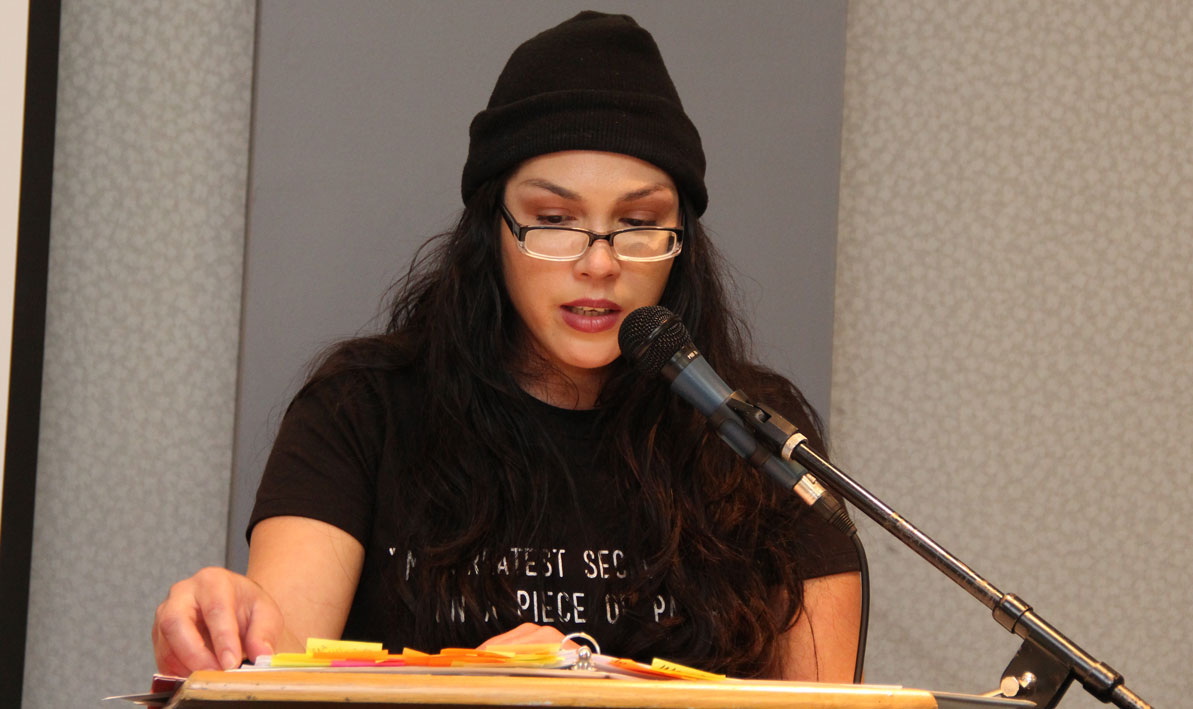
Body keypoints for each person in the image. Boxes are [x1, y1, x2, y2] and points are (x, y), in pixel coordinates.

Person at [152, 11, 861, 682]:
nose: (599, 262)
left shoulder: (759, 439)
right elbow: (272, 683)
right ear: (492, 227)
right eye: (553, 218)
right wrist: (228, 636)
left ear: (681, 242)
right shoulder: (359, 413)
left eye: (639, 221)